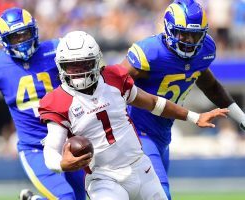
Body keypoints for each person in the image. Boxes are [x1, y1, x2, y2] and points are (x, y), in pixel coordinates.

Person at [38, 31, 228, 200]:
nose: (79, 72)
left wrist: (194, 117)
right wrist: (61, 164)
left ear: (96, 61)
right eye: (72, 66)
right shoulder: (57, 101)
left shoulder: (114, 78)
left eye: (84, 64)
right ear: (61, 67)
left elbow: (154, 103)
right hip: (104, 178)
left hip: (140, 167)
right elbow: (51, 149)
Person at [120, 0, 245, 199]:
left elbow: (211, 86)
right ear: (169, 30)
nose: (189, 40)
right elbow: (113, 85)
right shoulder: (150, 52)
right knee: (160, 195)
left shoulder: (204, 50)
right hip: (137, 132)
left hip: (162, 134)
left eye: (195, 35)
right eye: (183, 33)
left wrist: (242, 119)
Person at [0, 7, 86, 200]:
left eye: (24, 34)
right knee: (65, 197)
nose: (22, 42)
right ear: (3, 41)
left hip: (67, 141)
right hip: (36, 147)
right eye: (14, 37)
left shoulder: (56, 50)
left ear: (34, 30)